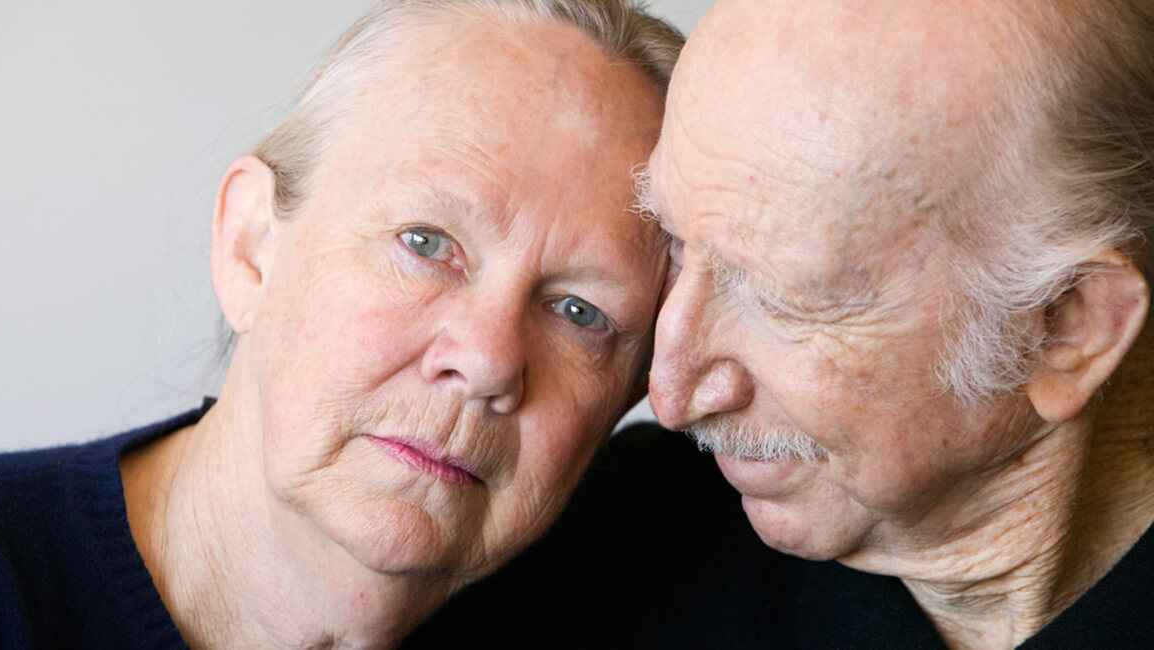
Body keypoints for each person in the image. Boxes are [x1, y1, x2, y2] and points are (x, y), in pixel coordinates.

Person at [418, 1, 1154, 648]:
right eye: (676, 244)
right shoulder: (624, 541)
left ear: (1067, 326)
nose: (668, 394)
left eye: (781, 300)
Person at [0, 1, 683, 648]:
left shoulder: (671, 579)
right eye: (426, 243)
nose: (490, 358)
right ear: (250, 247)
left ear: (634, 385)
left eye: (579, 312)